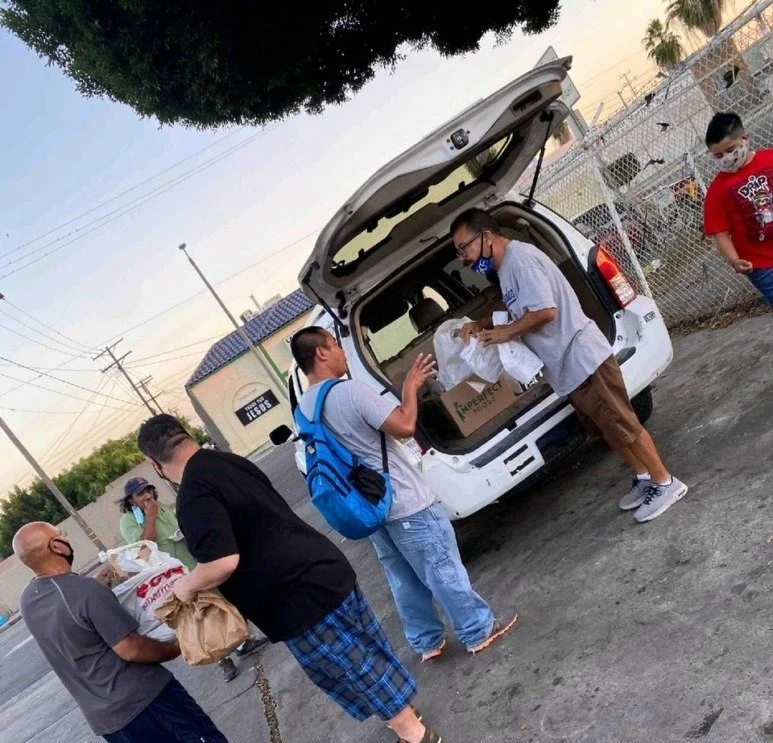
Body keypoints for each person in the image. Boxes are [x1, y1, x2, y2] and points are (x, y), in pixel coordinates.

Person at [136, 414, 441, 743]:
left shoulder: (194, 495)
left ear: (155, 463)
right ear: (185, 436)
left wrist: (183, 588)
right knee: (367, 648)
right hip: (322, 567)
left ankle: (414, 734)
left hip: (294, 597)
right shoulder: (229, 461)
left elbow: (222, 561)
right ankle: (407, 713)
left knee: (352, 666)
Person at [14, 522, 291, 743]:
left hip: (105, 717)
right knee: (201, 738)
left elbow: (71, 615)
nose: (67, 540)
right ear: (56, 547)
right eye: (63, 536)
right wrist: (177, 647)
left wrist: (93, 589)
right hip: (145, 693)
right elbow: (130, 648)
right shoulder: (85, 593)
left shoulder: (29, 601)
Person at [290, 326, 517, 661]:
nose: (342, 351)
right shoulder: (350, 391)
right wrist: (410, 387)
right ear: (321, 354)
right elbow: (404, 425)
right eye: (336, 345)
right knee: (441, 567)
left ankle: (427, 643)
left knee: (403, 578)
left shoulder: (303, 409)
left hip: (367, 506)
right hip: (403, 500)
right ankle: (477, 630)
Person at [451, 208, 688, 524]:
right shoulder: (505, 268)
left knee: (624, 424)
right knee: (608, 427)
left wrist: (504, 333)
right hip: (568, 368)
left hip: (583, 357)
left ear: (487, 237)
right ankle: (645, 477)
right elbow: (516, 307)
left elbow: (545, 311)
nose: (463, 257)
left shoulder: (521, 260)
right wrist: (481, 324)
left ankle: (665, 483)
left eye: (464, 247)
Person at [118, 476, 266, 683]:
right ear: (131, 500)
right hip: (169, 578)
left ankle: (241, 643)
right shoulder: (128, 521)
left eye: (149, 490)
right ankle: (222, 661)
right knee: (196, 618)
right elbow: (143, 550)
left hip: (190, 563)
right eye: (141, 494)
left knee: (218, 604)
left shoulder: (161, 506)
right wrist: (150, 517)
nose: (148, 496)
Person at [704, 111, 773, 306]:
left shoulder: (770, 158)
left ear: (745, 139)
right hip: (761, 265)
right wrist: (734, 261)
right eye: (718, 155)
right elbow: (720, 234)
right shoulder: (717, 191)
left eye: (731, 149)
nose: (726, 158)